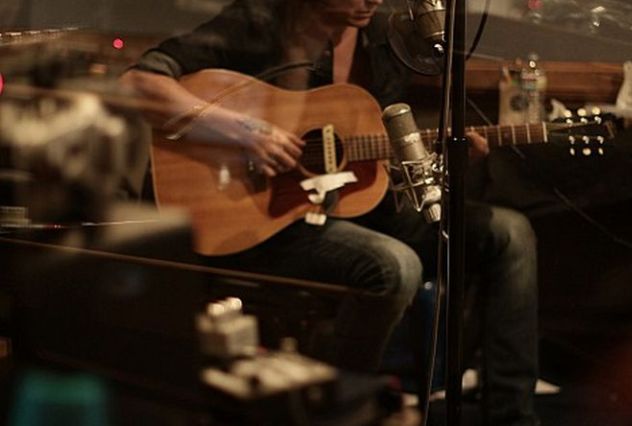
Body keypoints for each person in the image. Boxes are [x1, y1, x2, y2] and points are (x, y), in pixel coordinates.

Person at [120, 0, 539, 424]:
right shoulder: (259, 21)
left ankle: (513, 418)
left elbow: (368, 161)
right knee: (395, 267)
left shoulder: (385, 40)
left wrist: (435, 159)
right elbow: (139, 83)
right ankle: (339, 410)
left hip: (351, 206)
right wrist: (244, 131)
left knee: (508, 232)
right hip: (261, 217)